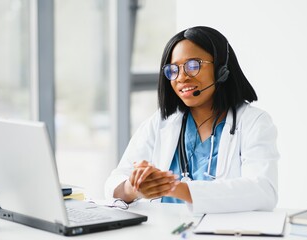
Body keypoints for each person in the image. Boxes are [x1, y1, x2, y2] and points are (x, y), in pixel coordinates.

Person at [105, 26, 279, 214]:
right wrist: (135, 188)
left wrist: (174, 188)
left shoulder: (254, 122)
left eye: (193, 65)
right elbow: (114, 182)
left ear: (222, 68)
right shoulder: (160, 123)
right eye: (173, 70)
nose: (181, 77)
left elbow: (263, 191)